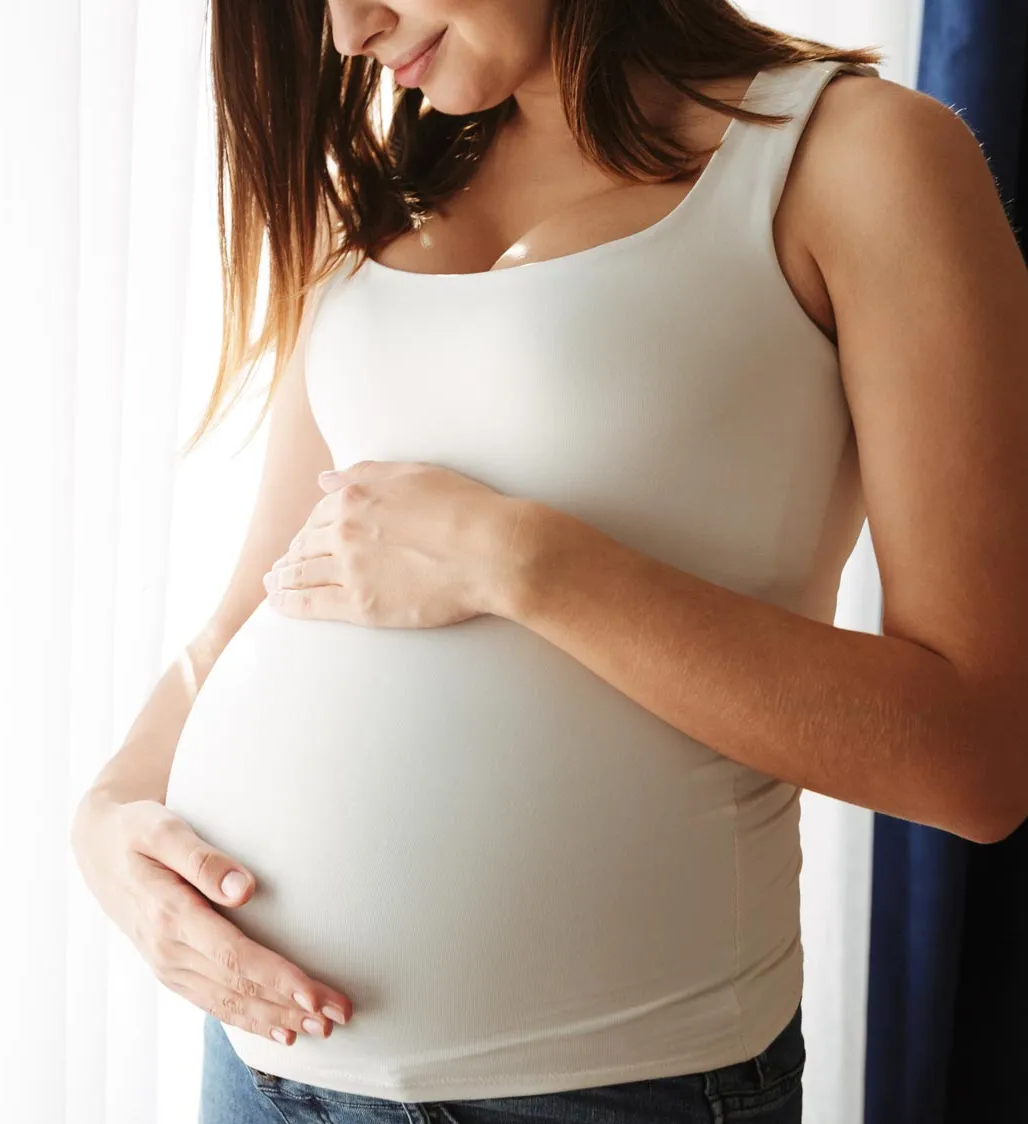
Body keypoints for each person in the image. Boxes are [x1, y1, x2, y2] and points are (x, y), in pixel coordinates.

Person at [70, 1, 1028, 1122]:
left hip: (609, 1087)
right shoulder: (386, 192)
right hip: (262, 1069)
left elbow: (977, 754)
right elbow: (251, 606)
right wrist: (108, 822)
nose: (348, 30)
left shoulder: (854, 157)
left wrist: (520, 558)